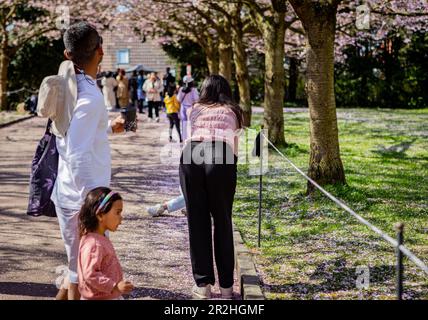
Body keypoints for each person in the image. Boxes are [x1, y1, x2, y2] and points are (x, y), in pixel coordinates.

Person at [52, 22, 126, 300]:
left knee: (77, 267)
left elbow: (75, 135)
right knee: (84, 273)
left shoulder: (70, 89)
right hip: (80, 199)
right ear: (101, 51)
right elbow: (77, 151)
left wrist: (107, 129)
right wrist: (94, 204)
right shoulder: (89, 96)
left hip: (69, 192)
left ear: (67, 54)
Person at [179, 75, 243, 300]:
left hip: (192, 155)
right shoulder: (233, 111)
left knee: (197, 222)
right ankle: (226, 288)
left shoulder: (194, 108)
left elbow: (189, 136)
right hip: (221, 155)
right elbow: (234, 149)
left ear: (204, 90)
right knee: (223, 222)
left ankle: (203, 284)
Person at [78, 187, 134, 300]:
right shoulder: (94, 244)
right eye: (117, 213)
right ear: (100, 215)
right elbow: (90, 275)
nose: (121, 218)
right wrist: (114, 286)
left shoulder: (98, 238)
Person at [177, 75, 199, 140]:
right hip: (191, 108)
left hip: (183, 108)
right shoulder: (194, 90)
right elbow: (196, 99)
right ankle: (191, 138)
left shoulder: (181, 89)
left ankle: (184, 138)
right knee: (191, 124)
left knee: (184, 124)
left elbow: (178, 99)